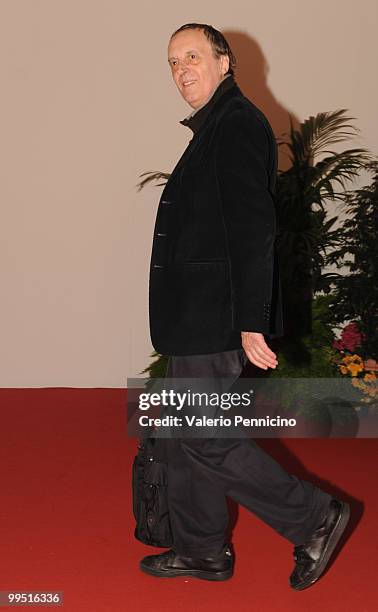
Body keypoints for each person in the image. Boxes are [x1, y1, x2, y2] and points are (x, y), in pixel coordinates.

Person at [140, 23, 350, 589]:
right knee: (187, 434)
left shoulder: (235, 124)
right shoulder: (214, 127)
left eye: (192, 56)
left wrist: (252, 319)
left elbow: (253, 227)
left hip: (216, 314)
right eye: (172, 62)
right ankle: (202, 550)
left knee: (205, 434)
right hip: (195, 317)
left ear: (224, 61)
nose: (182, 70)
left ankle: (314, 518)